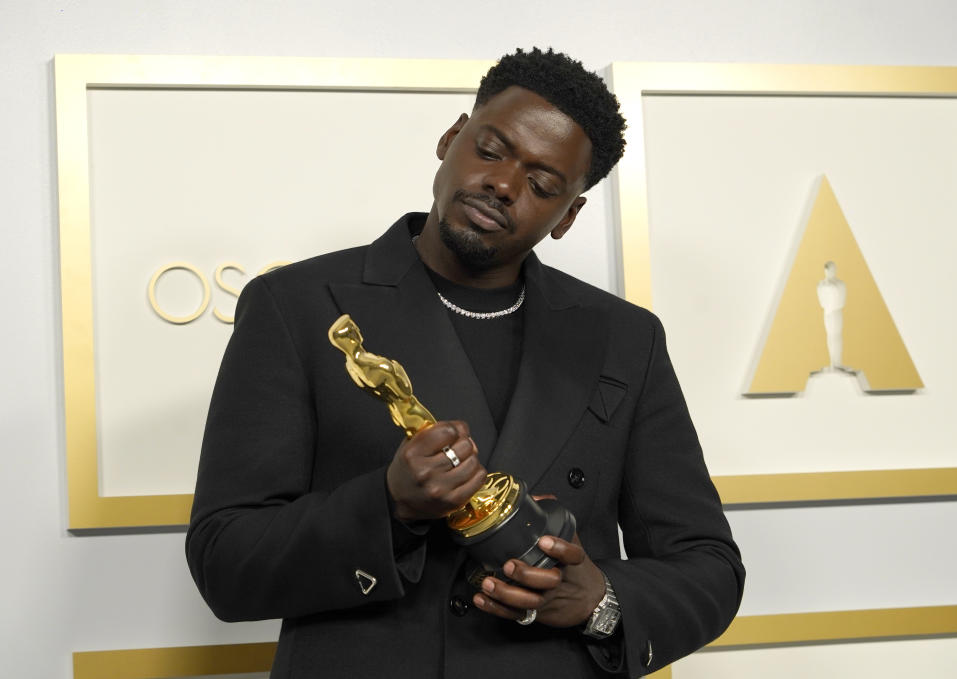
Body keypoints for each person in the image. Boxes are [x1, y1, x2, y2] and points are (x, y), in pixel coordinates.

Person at [186, 47, 744, 678]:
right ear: (451, 137)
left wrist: (600, 603)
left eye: (541, 184)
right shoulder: (299, 307)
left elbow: (707, 566)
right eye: (489, 148)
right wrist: (390, 506)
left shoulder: (625, 338)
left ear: (570, 216)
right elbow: (223, 561)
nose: (503, 185)